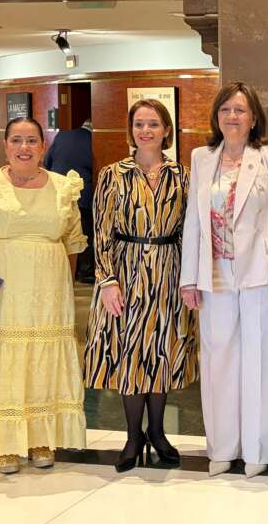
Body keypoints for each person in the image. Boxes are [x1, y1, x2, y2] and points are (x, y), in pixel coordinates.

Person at [0, 116, 87, 474]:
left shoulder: (62, 187)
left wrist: (65, 287)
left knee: (43, 360)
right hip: (1, 289)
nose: (25, 148)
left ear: (43, 146)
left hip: (49, 292)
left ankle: (40, 436)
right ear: (5, 145)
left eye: (32, 141)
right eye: (17, 141)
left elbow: (72, 241)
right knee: (4, 355)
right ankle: (4, 443)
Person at [180, 83, 268, 478]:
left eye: (241, 110)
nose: (233, 117)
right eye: (226, 109)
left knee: (261, 361)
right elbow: (193, 220)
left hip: (262, 275)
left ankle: (260, 449)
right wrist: (188, 278)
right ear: (216, 115)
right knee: (218, 361)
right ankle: (222, 448)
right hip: (214, 274)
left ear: (254, 117)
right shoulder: (201, 157)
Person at [84, 100, 197, 472]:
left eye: (153, 123)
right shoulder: (113, 174)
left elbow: (189, 233)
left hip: (168, 273)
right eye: (138, 124)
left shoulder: (183, 175)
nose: (145, 130)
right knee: (132, 354)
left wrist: (188, 279)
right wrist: (107, 281)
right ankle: (133, 435)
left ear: (167, 130)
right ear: (130, 130)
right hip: (126, 272)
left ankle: (159, 433)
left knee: (160, 352)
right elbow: (100, 231)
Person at [44, 119, 95, 283]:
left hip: (57, 191)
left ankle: (62, 269)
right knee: (84, 232)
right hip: (83, 193)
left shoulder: (62, 136)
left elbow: (47, 162)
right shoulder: (93, 141)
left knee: (62, 232)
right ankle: (85, 272)